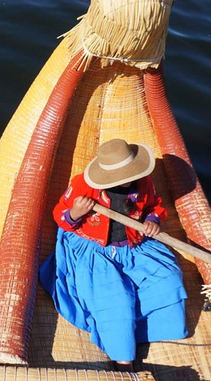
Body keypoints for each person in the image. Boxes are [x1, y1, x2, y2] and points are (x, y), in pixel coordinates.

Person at [39, 139, 188, 372]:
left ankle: (150, 330)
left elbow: (155, 207)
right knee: (115, 300)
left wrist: (151, 222)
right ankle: (123, 361)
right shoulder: (83, 184)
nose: (130, 178)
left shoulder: (144, 182)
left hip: (135, 247)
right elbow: (61, 217)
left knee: (168, 278)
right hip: (94, 252)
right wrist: (77, 212)